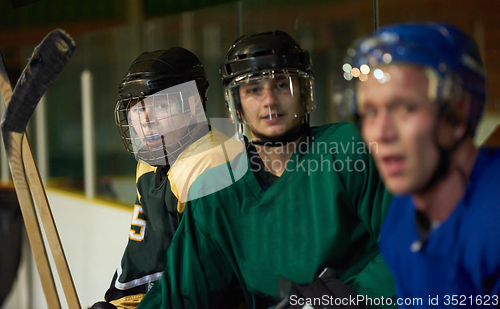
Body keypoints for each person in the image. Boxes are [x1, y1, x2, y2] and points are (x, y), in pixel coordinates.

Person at [136, 30, 395, 309]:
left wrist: (354, 299)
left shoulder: (351, 149)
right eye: (254, 89)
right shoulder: (215, 192)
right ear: (237, 103)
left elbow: (409, 244)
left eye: (282, 85)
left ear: (304, 93)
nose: (269, 100)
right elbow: (182, 293)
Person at [348, 22, 500, 307]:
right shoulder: (402, 218)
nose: (381, 132)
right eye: (370, 111)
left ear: (458, 111)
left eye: (405, 107)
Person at [91, 48, 245, 309]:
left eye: (160, 105)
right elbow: (149, 259)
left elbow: (207, 286)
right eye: (136, 107)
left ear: (194, 104)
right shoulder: (149, 163)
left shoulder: (215, 164)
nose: (145, 120)